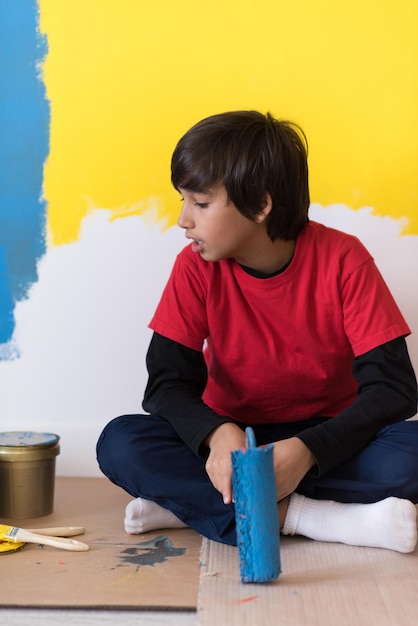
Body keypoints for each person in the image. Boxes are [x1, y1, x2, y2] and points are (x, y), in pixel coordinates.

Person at [97, 110, 418, 553]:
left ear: (261, 206)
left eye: (201, 203)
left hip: (324, 441)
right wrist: (216, 434)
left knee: (411, 452)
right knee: (120, 442)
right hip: (231, 440)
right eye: (183, 201)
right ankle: (309, 518)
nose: (183, 220)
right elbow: (166, 384)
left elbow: (394, 390)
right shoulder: (194, 268)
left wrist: (307, 449)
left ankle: (187, 505)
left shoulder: (344, 259)